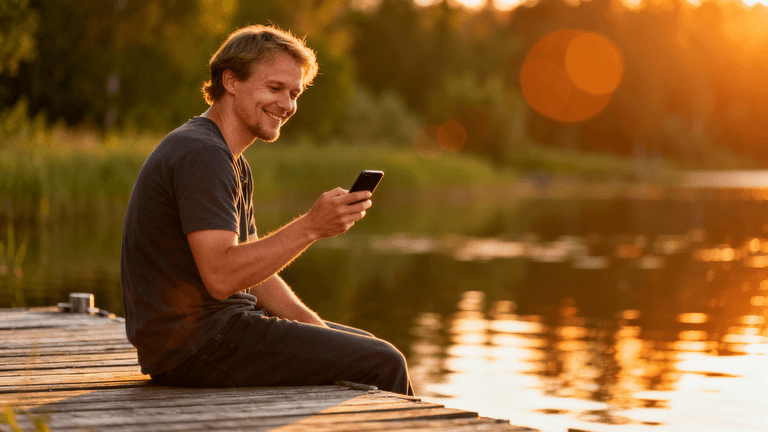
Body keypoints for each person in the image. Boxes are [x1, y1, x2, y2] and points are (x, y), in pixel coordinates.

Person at [120, 25, 413, 396]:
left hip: (210, 335)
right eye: (275, 89)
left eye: (294, 93)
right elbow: (222, 276)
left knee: (367, 346)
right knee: (384, 362)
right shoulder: (203, 155)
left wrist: (311, 325)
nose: (287, 105)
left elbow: (253, 275)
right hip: (196, 344)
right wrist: (311, 226)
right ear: (231, 81)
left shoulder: (231, 161)